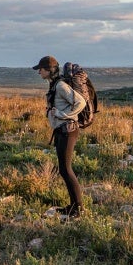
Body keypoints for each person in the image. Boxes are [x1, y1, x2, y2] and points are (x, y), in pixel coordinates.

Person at [32, 55, 87, 218]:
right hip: (62, 130)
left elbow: (81, 102)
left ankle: (78, 208)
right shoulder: (54, 85)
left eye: (40, 69)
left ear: (49, 70)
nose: (39, 72)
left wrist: (64, 115)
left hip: (68, 130)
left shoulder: (61, 86)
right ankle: (74, 207)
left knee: (66, 169)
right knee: (64, 169)